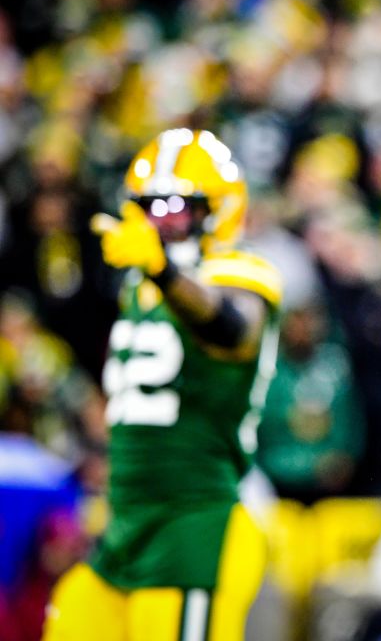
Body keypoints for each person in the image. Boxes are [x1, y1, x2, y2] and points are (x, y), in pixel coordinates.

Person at [43, 129, 281, 641]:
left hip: (193, 523)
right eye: (150, 207)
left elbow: (231, 329)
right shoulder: (139, 288)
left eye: (176, 206)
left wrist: (162, 271)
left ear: (217, 209)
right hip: (124, 527)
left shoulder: (239, 272)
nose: (161, 221)